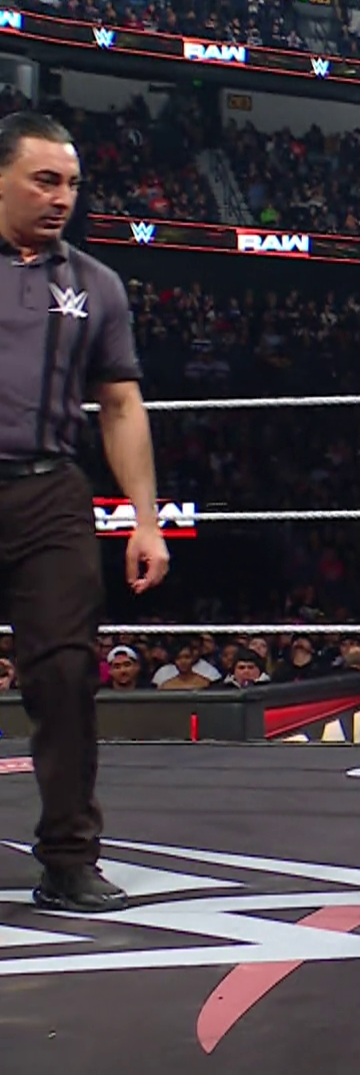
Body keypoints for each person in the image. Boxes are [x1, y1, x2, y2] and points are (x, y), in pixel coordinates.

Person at [0, 111, 170, 912]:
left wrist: (146, 519)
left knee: (67, 673)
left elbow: (122, 405)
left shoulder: (96, 284)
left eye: (70, 183)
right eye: (44, 180)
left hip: (50, 493)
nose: (61, 196)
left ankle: (69, 858)